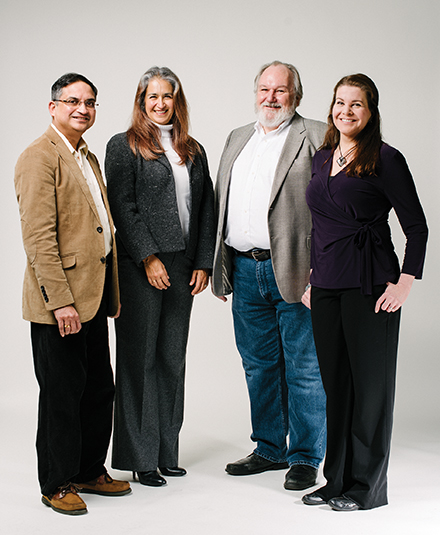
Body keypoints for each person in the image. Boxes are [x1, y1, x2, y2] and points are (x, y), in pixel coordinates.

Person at [301, 74, 428, 511]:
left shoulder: (386, 159)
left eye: (356, 104)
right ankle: (334, 480)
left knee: (370, 390)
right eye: (340, 103)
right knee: (335, 388)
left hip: (371, 284)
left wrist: (405, 283)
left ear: (371, 111)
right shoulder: (322, 158)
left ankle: (365, 489)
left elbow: (417, 228)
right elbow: (319, 227)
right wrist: (311, 280)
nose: (346, 111)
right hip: (327, 288)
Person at [14, 73, 131, 516]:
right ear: (53, 107)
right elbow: (39, 239)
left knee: (99, 387)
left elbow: (100, 228)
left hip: (95, 297)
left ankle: (88, 470)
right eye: (73, 101)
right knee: (62, 393)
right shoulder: (38, 158)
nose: (83, 109)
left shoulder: (87, 156)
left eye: (91, 102)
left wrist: (110, 293)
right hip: (60, 303)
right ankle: (56, 482)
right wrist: (59, 300)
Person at [211, 61, 327, 491]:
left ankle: (305, 456)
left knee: (303, 367)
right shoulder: (237, 138)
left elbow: (335, 210)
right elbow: (221, 204)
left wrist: (323, 272)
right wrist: (220, 270)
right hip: (244, 268)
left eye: (281, 90)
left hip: (299, 272)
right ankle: (269, 448)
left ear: (296, 95)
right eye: (264, 89)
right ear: (255, 92)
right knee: (258, 365)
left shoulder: (317, 134)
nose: (271, 98)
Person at [105, 66, 215, 487]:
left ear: (177, 100)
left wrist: (203, 261)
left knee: (171, 356)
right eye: (152, 96)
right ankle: (140, 456)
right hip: (141, 267)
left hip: (185, 266)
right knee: (139, 358)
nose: (160, 103)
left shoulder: (194, 150)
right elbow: (123, 206)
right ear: (141, 101)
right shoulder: (124, 146)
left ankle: (167, 451)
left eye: (167, 96)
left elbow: (206, 208)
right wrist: (149, 257)